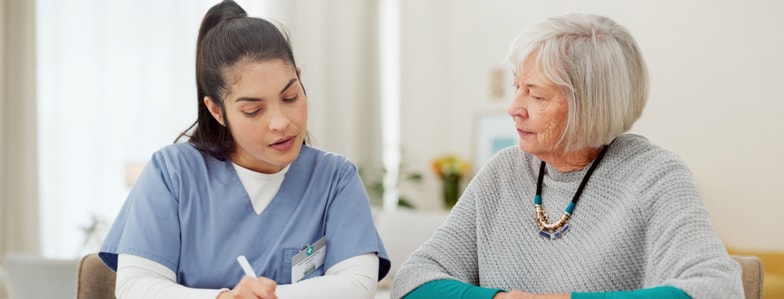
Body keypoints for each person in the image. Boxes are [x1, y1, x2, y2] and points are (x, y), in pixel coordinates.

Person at [391, 12, 742, 299]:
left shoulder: (654, 176)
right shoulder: (504, 171)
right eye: (517, 88)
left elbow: (716, 290)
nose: (514, 108)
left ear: (591, 106)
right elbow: (413, 281)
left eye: (537, 96)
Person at [99, 1, 390, 298]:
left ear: (300, 80)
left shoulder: (335, 179)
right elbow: (137, 287)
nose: (280, 122)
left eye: (290, 97)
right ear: (217, 110)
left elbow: (356, 286)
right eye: (253, 110)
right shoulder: (172, 173)